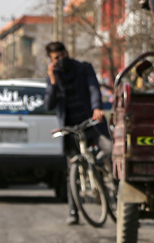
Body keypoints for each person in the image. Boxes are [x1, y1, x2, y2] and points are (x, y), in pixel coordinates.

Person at [44, 42, 112, 226]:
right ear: (51, 61)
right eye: (56, 58)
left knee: (110, 150)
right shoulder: (53, 76)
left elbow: (93, 89)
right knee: (71, 170)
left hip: (91, 123)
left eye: (62, 55)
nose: (60, 60)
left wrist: (97, 108)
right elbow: (49, 105)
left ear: (67, 53)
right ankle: (73, 211)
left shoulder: (83, 68)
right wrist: (52, 82)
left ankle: (114, 186)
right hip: (71, 130)